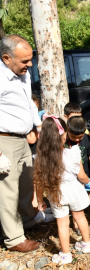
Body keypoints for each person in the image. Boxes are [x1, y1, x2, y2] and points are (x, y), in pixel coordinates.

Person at [0, 34, 42, 252]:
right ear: (7, 58)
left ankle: (27, 221)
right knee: (7, 191)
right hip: (3, 141)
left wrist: (38, 126)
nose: (30, 64)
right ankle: (14, 238)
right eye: (24, 60)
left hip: (23, 139)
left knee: (26, 184)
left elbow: (29, 103)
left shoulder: (22, 73)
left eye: (30, 58)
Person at [34, 116, 90, 265]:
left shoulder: (41, 158)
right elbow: (82, 175)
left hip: (56, 191)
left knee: (62, 224)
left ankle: (65, 254)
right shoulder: (73, 151)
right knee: (80, 217)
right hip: (74, 187)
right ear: (63, 133)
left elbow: (39, 182)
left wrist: (40, 200)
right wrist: (88, 183)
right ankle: (86, 244)